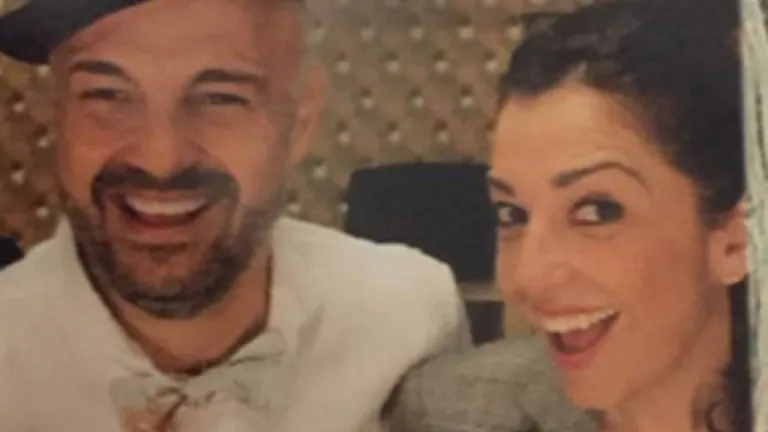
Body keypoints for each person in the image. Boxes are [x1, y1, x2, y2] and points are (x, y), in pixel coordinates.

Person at [0, 0, 470, 430]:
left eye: (220, 97)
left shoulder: (410, 318)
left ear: (300, 121)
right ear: (58, 114)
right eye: (107, 94)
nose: (161, 159)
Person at [390, 1, 751, 431]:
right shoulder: (455, 415)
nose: (529, 278)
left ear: (736, 240)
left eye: (596, 211)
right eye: (511, 214)